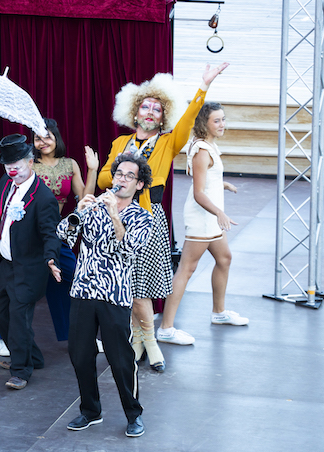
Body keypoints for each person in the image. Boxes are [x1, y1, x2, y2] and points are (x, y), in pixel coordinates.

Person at [97, 63, 229, 372]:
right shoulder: (120, 143)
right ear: (135, 112)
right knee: (127, 283)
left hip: (149, 217)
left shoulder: (168, 142)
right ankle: (139, 339)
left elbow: (188, 120)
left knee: (141, 285)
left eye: (157, 109)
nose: (150, 112)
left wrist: (204, 86)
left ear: (162, 117)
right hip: (118, 216)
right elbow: (103, 178)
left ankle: (147, 340)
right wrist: (122, 174)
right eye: (145, 107)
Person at [58, 152, 153, 437]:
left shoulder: (142, 217)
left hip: (115, 295)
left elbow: (129, 249)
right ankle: (90, 411)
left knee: (120, 359)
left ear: (139, 184)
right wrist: (78, 212)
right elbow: (64, 237)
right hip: (83, 290)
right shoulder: (94, 206)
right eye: (119, 174)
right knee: (80, 355)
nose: (122, 179)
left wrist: (114, 215)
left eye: (129, 176)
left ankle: (133, 414)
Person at [0, 118, 99, 354]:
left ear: (56, 138)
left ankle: (79, 335)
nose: (43, 141)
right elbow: (3, 194)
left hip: (54, 233)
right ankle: (2, 335)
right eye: (38, 138)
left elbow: (84, 200)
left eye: (48, 136)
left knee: (73, 279)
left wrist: (92, 169)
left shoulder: (70, 164)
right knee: (10, 284)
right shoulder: (27, 164)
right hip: (25, 237)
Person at [0, 134, 61, 390]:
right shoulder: (6, 184)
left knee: (19, 320)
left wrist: (51, 258)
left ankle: (21, 371)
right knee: (2, 316)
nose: (12, 169)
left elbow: (50, 233)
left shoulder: (43, 198)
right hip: (6, 265)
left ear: (31, 162)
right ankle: (33, 357)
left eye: (17, 164)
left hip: (28, 269)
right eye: (8, 165)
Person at [156, 103, 248, 345]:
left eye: (223, 119)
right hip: (203, 217)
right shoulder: (202, 150)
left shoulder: (207, 145)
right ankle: (166, 328)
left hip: (211, 217)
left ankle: (219, 312)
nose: (222, 124)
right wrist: (219, 213)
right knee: (187, 269)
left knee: (224, 258)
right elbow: (198, 193)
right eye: (216, 121)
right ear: (204, 123)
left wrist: (221, 185)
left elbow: (206, 179)